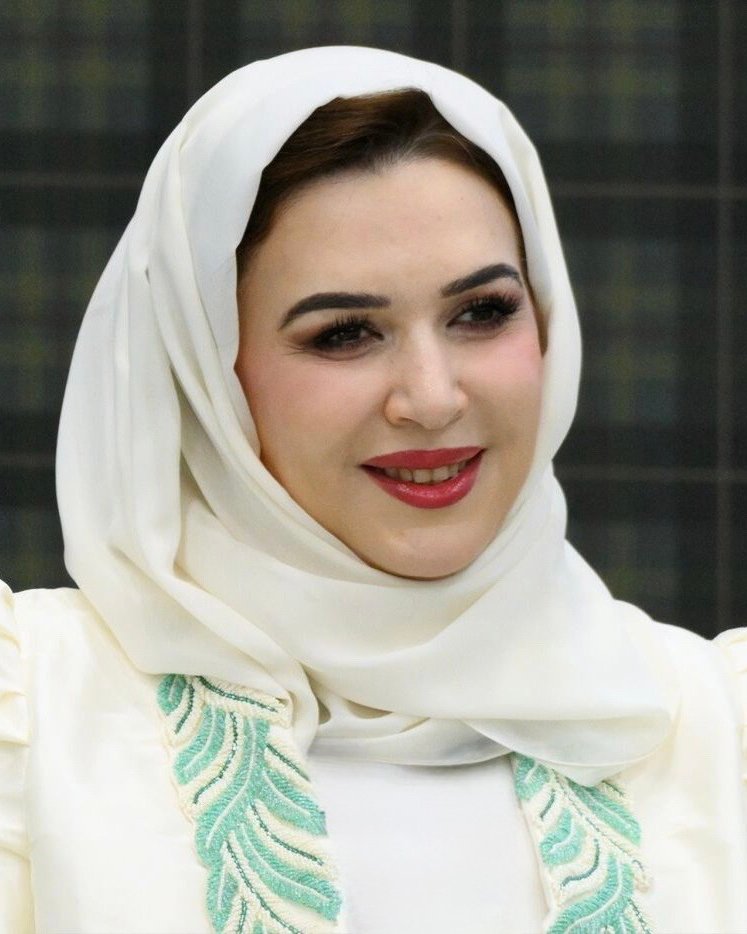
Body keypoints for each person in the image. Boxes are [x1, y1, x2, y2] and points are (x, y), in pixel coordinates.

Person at [1, 45, 745, 934]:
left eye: (482, 313)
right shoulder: (36, 720)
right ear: (206, 373)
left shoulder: (715, 732)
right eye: (344, 333)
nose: (431, 399)